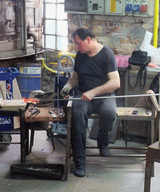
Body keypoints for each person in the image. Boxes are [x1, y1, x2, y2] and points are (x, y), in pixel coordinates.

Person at [60, 27, 120, 177]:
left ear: (88, 39)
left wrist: (94, 92)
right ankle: (80, 162)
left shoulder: (106, 54)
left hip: (103, 95)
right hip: (83, 96)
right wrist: (67, 87)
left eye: (78, 43)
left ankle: (102, 139)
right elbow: (75, 77)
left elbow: (115, 82)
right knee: (77, 116)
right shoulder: (80, 55)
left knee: (109, 113)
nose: (76, 47)